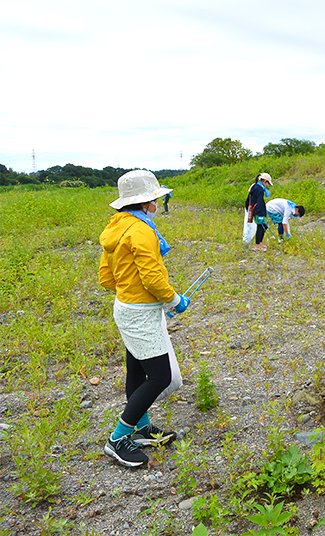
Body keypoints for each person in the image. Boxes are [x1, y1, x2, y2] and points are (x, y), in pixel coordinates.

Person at [98, 170, 189, 468]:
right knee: (159, 376)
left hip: (125, 307)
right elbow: (152, 277)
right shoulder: (141, 231)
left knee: (136, 370)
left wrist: (129, 292)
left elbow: (105, 277)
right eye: (156, 199)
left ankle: (141, 427)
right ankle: (117, 438)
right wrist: (174, 300)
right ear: (147, 201)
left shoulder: (116, 227)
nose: (157, 204)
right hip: (140, 314)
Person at [245, 173, 273, 251]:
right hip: (258, 211)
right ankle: (257, 245)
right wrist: (261, 214)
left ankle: (259, 243)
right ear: (264, 181)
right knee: (261, 227)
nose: (267, 185)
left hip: (255, 210)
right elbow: (260, 202)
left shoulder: (254, 186)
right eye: (267, 183)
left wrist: (247, 207)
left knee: (263, 226)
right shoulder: (260, 190)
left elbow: (248, 198)